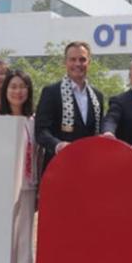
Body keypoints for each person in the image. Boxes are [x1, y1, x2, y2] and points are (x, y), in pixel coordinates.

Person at [0, 68, 40, 263]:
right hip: (1, 190)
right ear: (5, 91)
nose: (18, 91)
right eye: (13, 87)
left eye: (23, 87)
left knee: (24, 245)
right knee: (2, 244)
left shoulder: (34, 121)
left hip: (27, 187)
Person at [35, 41, 105, 169]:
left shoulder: (97, 96)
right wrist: (58, 145)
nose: (78, 64)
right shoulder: (51, 92)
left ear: (89, 62)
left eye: (82, 59)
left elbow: (98, 132)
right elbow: (41, 131)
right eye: (73, 59)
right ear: (65, 62)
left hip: (88, 166)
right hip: (59, 166)